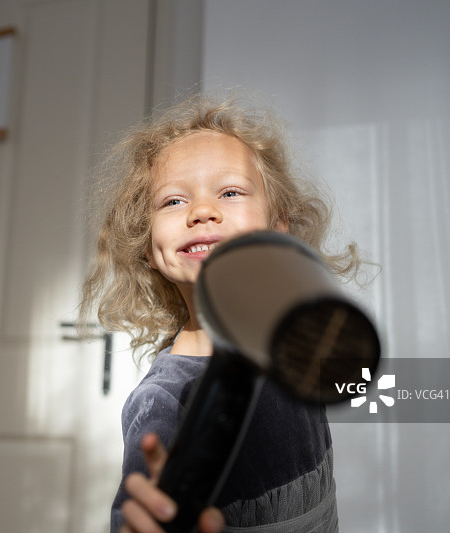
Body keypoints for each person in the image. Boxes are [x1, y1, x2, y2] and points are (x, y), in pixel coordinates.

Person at [79, 93, 363, 533]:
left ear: (277, 229)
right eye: (173, 201)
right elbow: (141, 513)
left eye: (230, 192)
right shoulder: (166, 401)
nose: (202, 211)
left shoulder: (291, 344)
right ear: (149, 249)